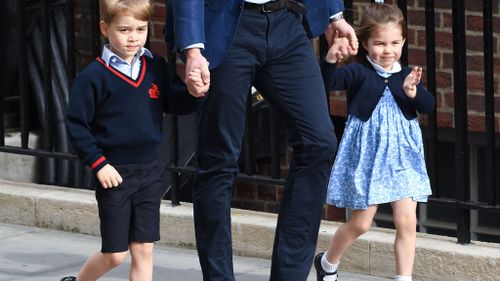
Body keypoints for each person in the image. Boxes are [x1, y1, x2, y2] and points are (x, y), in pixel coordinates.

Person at [166, 0, 358, 280]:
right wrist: (193, 50)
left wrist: (333, 13)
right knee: (218, 160)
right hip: (226, 27)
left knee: (319, 143)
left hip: (288, 22)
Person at [60, 1, 203, 280]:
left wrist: (194, 93)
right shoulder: (93, 77)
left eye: (141, 29)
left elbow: (176, 102)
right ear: (105, 28)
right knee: (115, 254)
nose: (133, 36)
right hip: (114, 173)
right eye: (124, 29)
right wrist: (99, 164)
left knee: (143, 249)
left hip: (150, 172)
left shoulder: (155, 66)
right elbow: (77, 125)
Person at [313, 3, 435, 281]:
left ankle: (404, 277)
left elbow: (429, 106)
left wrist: (413, 93)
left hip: (402, 158)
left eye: (394, 42)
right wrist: (330, 58)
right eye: (379, 43)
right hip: (368, 158)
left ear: (403, 41)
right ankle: (328, 262)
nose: (387, 50)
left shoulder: (406, 76)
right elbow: (326, 83)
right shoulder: (359, 73)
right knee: (361, 223)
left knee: (407, 222)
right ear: (366, 43)